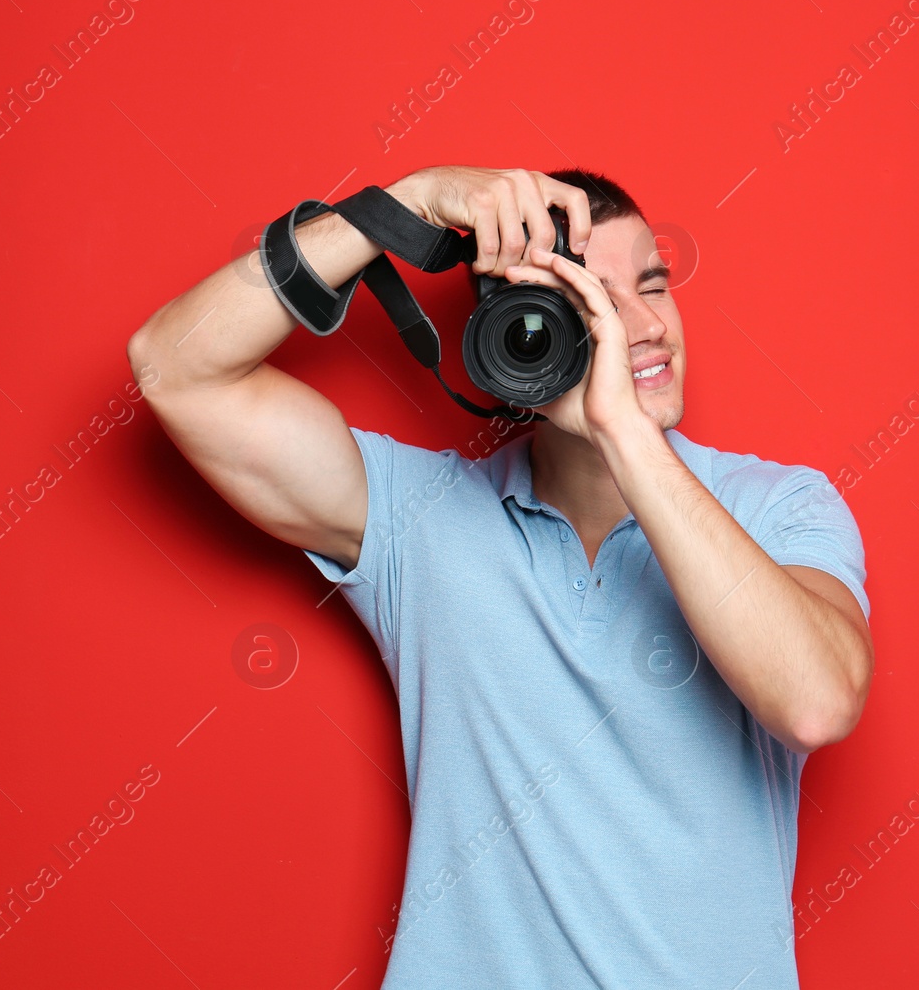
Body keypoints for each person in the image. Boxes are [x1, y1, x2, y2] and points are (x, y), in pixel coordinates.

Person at [126, 165, 873, 988]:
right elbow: (172, 367)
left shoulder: (781, 506)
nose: (641, 326)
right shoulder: (423, 518)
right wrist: (400, 207)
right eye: (591, 298)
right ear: (522, 331)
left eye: (651, 286)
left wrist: (623, 431)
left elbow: (816, 700)